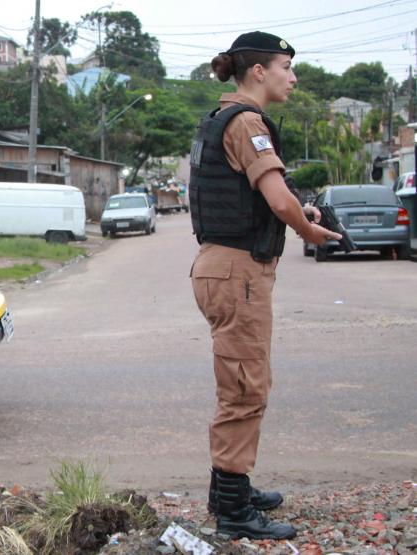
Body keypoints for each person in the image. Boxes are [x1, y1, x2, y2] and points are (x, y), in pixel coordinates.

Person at [187, 31, 341, 540]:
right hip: (238, 273)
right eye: (286, 68)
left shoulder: (221, 119)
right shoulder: (247, 121)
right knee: (244, 388)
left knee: (245, 380)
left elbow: (262, 194)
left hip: (224, 267)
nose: (292, 78)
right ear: (258, 71)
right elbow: (277, 200)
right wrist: (307, 228)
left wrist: (302, 209)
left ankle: (230, 489)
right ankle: (234, 512)